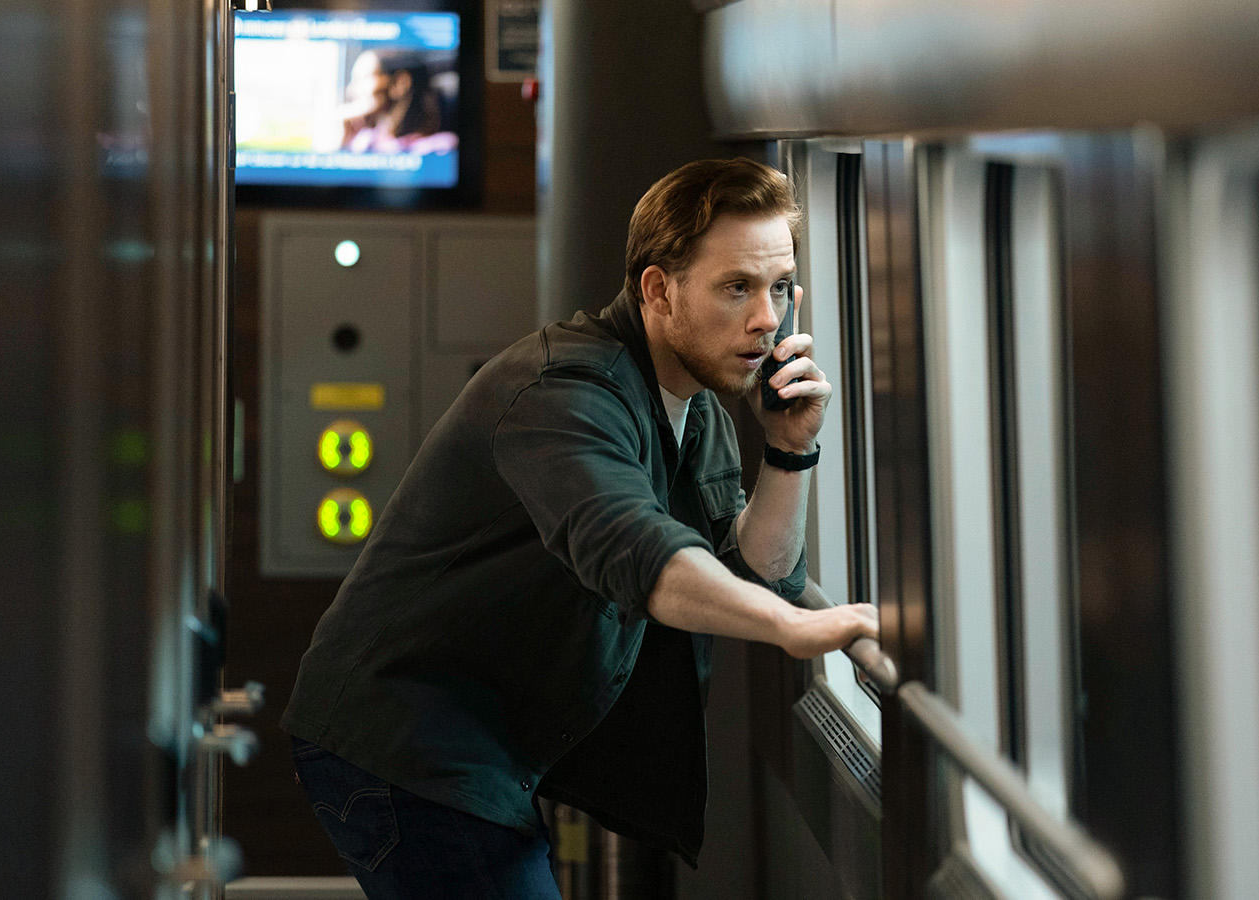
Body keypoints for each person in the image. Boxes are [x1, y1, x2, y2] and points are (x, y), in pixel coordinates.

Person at [281, 157, 878, 899]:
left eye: (780, 286)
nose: (768, 317)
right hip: (407, 739)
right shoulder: (562, 393)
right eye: (737, 288)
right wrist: (792, 629)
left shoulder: (699, 405)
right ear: (659, 291)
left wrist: (789, 452)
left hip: (493, 736)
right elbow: (639, 553)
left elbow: (752, 573)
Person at [338, 49, 456, 155]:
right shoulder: (365, 141)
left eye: (362, 78)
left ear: (400, 82)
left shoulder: (442, 147)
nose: (351, 90)